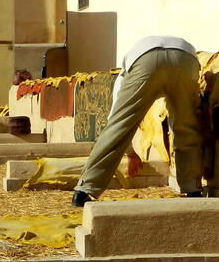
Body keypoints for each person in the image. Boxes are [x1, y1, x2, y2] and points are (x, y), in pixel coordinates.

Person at [72, 35, 205, 206]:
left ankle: (85, 190)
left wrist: (130, 153)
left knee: (119, 125)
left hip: (145, 57)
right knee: (186, 126)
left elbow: (116, 121)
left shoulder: (123, 75)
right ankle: (193, 189)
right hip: (185, 56)